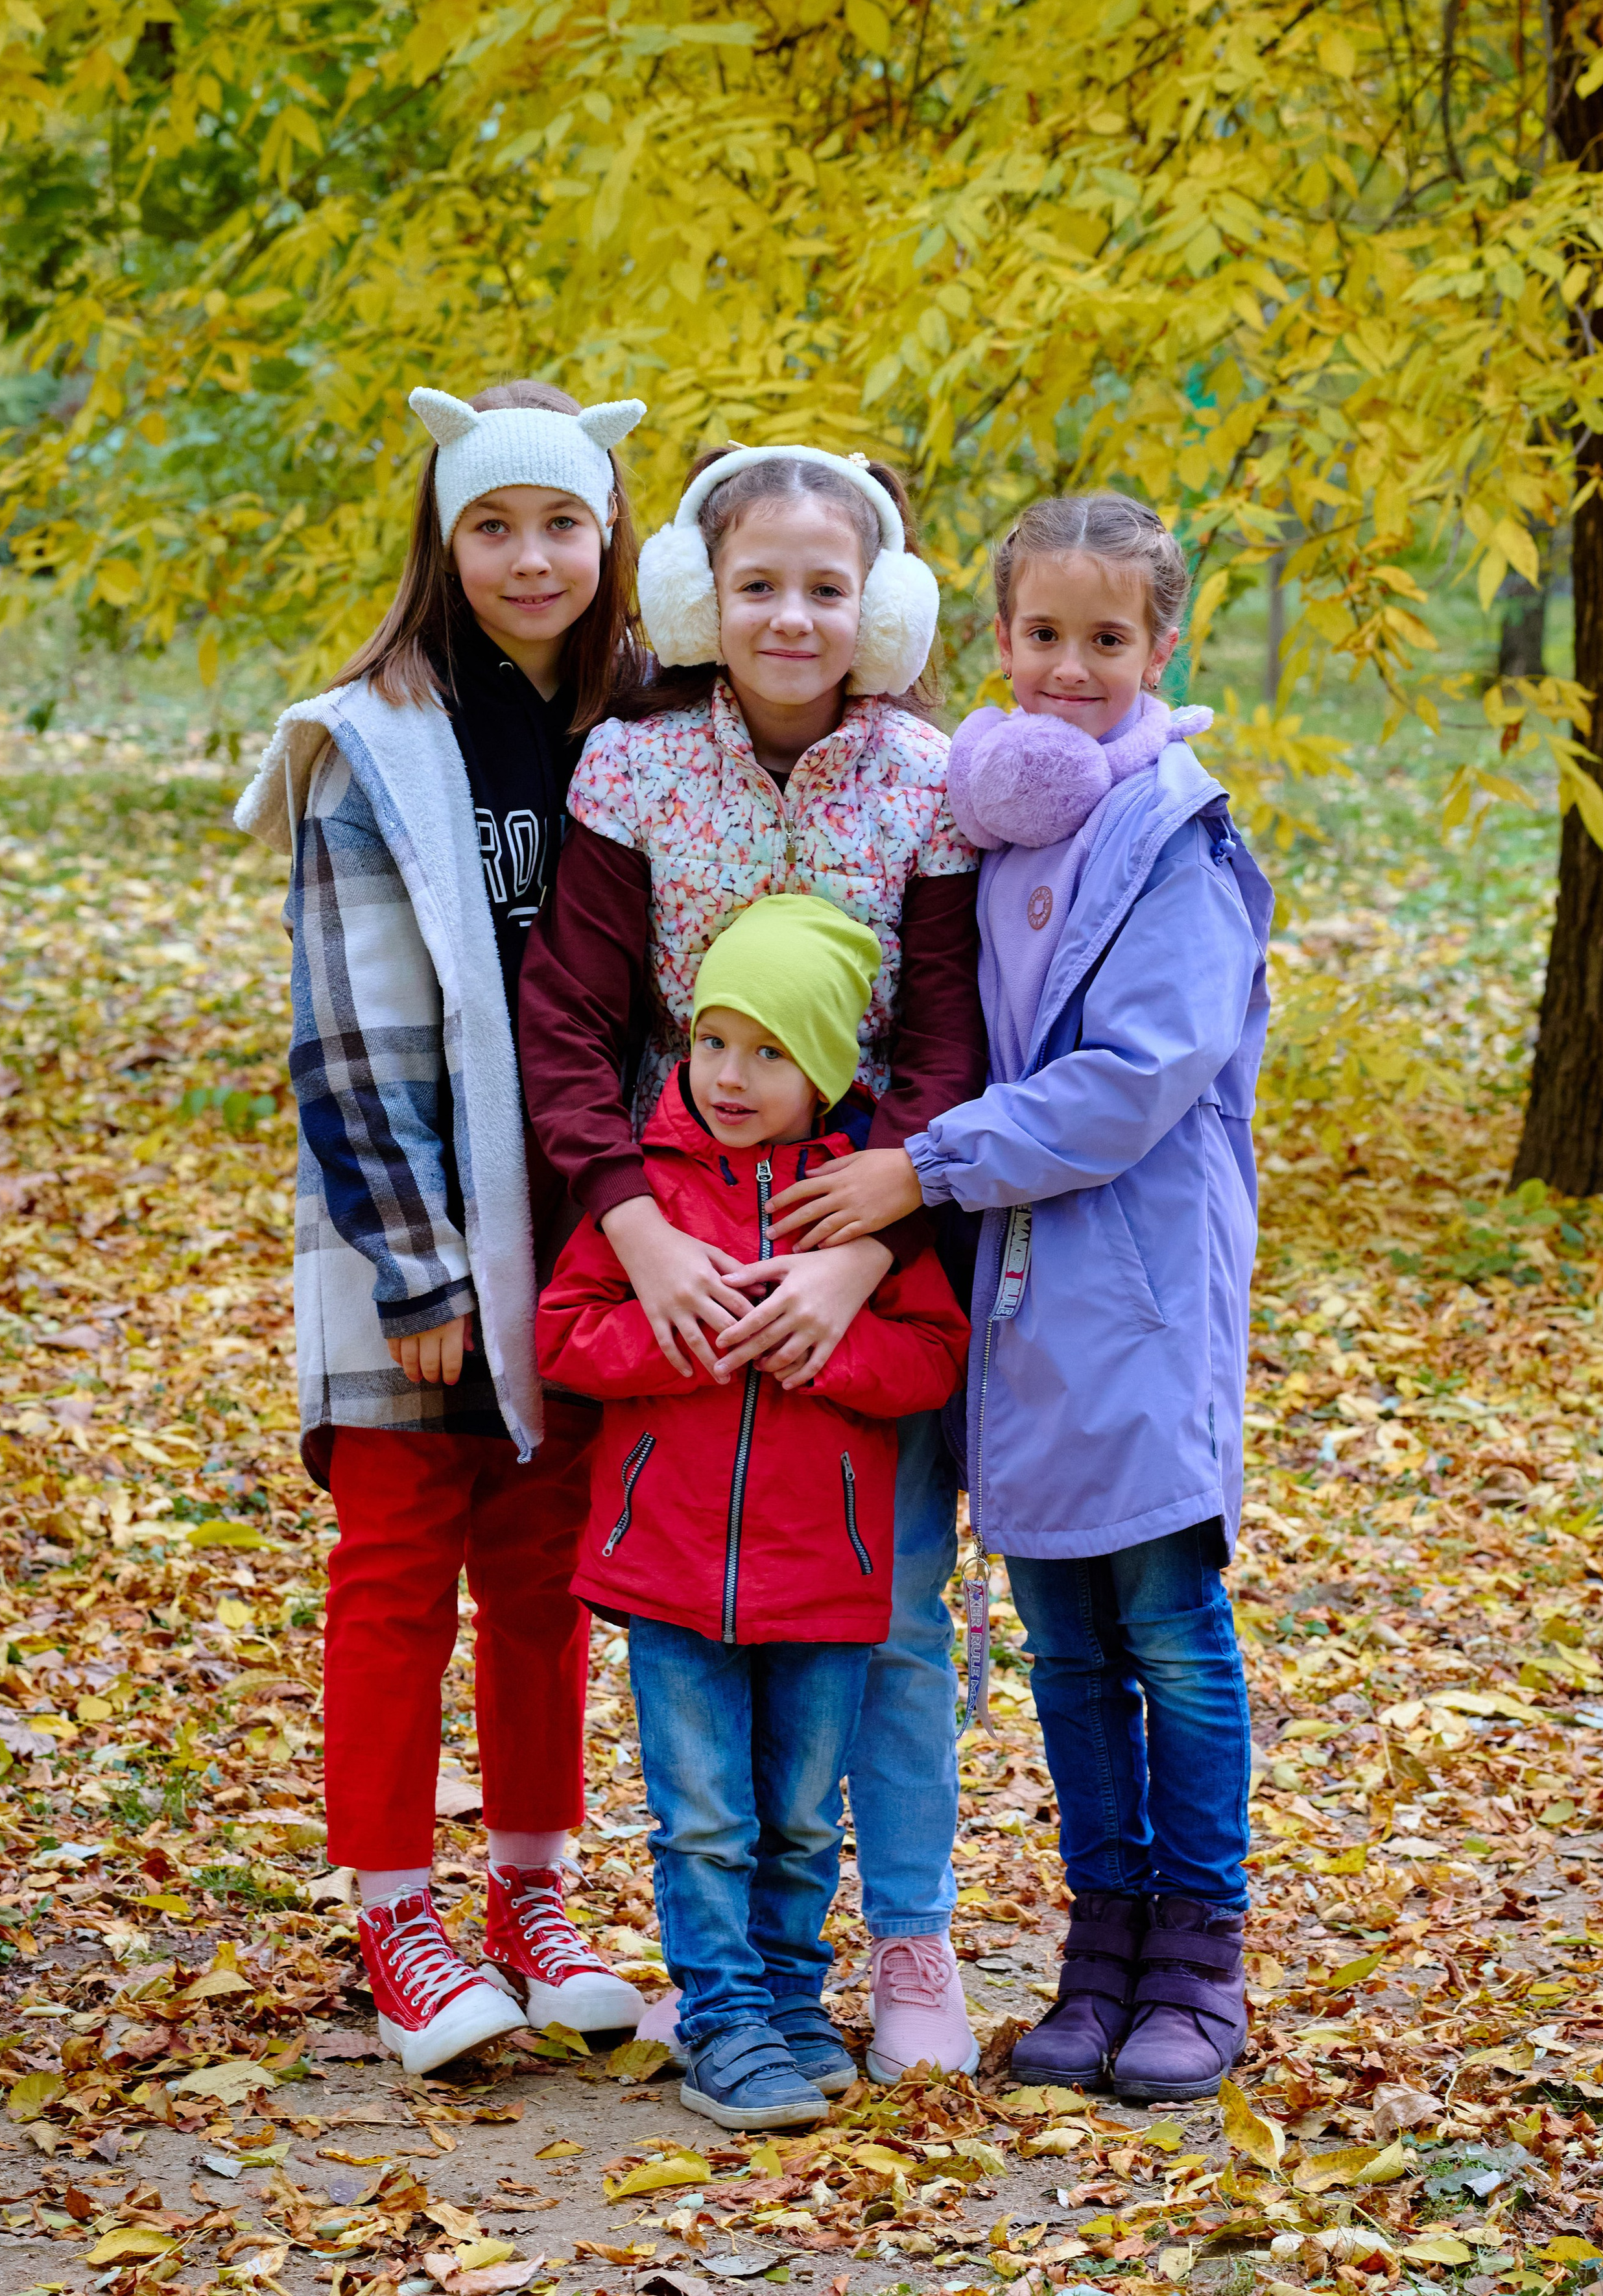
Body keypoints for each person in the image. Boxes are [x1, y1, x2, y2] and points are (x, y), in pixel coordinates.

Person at [768, 492, 1273, 2102]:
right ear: (996, 641)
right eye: (1040, 636)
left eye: (1103, 641)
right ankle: (1095, 1951)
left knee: (1169, 1635)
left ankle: (1195, 1954)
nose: (1067, 670)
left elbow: (1132, 1080)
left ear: (1158, 648)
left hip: (1135, 1289)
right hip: (1018, 1299)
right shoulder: (995, 824)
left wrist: (920, 1169)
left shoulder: (1174, 841)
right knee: (1061, 1640)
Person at [519, 443, 988, 2081]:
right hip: (678, 1213)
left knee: (896, 1609)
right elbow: (571, 1021)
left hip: (873, 1211)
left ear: (882, 609)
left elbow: (941, 1028)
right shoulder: (632, 771)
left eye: (826, 586)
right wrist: (631, 1225)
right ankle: (726, 1971)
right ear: (693, 602)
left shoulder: (930, 776)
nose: (790, 615)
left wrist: (874, 1238)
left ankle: (907, 1936)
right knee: (695, 1618)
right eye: (755, 584)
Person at [235, 380, 649, 2073]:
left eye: (562, 521)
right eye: (493, 524)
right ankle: (396, 1911)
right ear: (445, 537)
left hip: (580, 1235)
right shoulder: (371, 742)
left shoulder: (639, 728)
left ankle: (531, 1897)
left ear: (610, 535)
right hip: (405, 1228)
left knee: (543, 1579)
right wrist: (415, 1262)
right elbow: (345, 1034)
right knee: (400, 1569)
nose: (530, 555)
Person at [538, 894, 969, 2126]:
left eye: (772, 1050)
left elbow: (931, 1353)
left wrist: (824, 1348)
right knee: (708, 1811)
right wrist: (685, 1338)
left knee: (796, 1809)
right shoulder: (649, 1193)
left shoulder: (855, 1204)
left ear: (827, 1067)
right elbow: (565, 1335)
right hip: (672, 1570)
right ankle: (721, 2017)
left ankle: (786, 1996)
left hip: (827, 1572)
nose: (732, 1074)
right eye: (714, 1039)